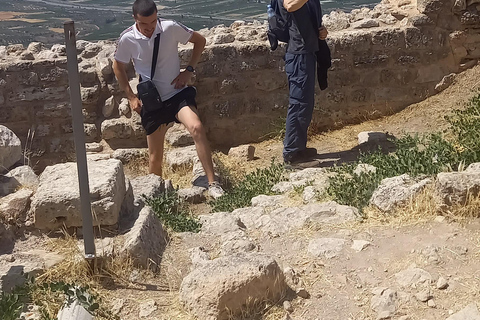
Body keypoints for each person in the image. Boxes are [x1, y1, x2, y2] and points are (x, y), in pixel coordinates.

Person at [113, 0, 224, 198]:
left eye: (153, 22)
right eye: (144, 24)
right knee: (155, 157)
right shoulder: (127, 38)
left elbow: (200, 41)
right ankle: (157, 197)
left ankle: (213, 183)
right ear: (135, 19)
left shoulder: (170, 28)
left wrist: (188, 71)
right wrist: (130, 96)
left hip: (177, 93)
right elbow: (118, 66)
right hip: (152, 99)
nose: (149, 28)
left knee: (196, 127)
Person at [280, 0, 328, 164]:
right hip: (298, 55)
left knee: (306, 104)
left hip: (308, 53)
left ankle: (299, 148)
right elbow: (289, 5)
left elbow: (310, 21)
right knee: (299, 104)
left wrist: (321, 32)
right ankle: (291, 154)